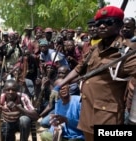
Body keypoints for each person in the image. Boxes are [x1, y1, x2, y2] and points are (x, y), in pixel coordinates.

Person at [52, 6, 136, 141]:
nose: (102, 26)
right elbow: (78, 69)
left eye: (108, 22)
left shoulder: (126, 52)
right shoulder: (94, 49)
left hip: (108, 116)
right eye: (98, 23)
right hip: (87, 113)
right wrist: (60, 85)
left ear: (119, 25)